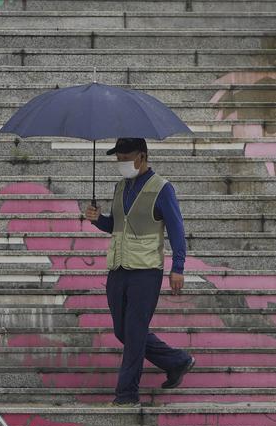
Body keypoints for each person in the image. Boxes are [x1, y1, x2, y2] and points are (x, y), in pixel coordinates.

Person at [83, 137, 195, 405]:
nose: (121, 163)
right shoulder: (120, 187)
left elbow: (177, 230)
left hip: (146, 271)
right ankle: (176, 361)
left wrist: (178, 268)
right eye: (118, 159)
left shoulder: (162, 188)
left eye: (125, 158)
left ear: (142, 156)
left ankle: (127, 394)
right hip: (118, 268)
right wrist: (98, 220)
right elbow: (116, 226)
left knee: (134, 333)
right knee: (123, 332)